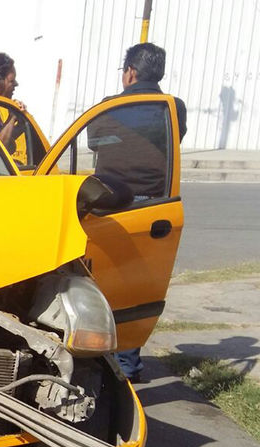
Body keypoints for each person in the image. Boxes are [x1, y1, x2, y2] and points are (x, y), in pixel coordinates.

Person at [104, 42, 188, 382]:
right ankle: (127, 365)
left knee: (106, 282)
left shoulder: (111, 106)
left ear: (130, 72)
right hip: (153, 206)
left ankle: (102, 358)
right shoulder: (173, 108)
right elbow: (174, 140)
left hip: (110, 204)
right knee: (136, 287)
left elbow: (95, 142)